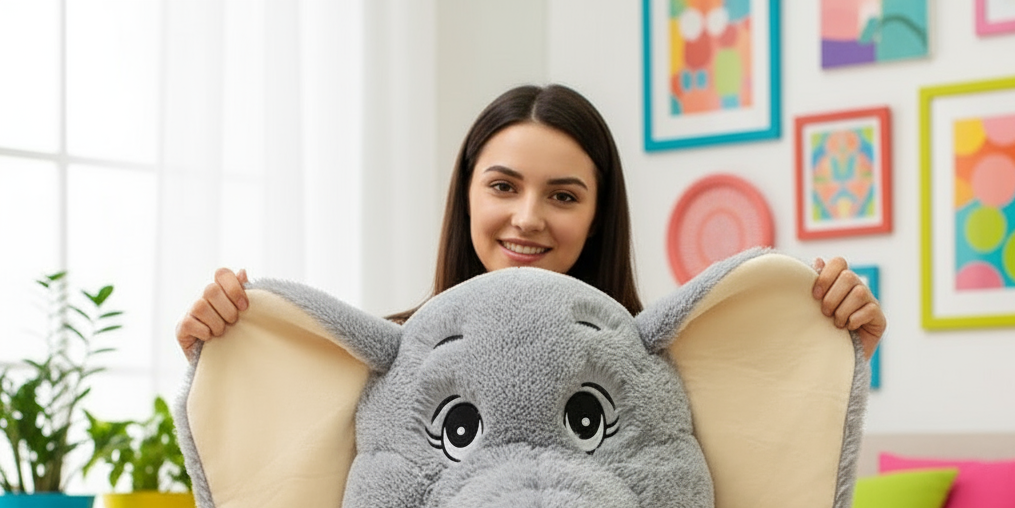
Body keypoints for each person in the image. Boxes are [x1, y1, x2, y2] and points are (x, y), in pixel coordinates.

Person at [175, 84, 885, 359]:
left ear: (601, 215)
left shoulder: (659, 358)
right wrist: (222, 355)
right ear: (468, 198)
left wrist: (841, 346)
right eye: (504, 187)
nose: (527, 218)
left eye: (564, 196)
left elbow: (762, 474)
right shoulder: (389, 354)